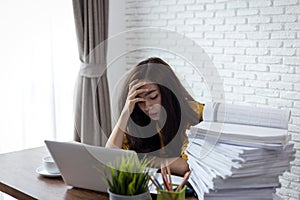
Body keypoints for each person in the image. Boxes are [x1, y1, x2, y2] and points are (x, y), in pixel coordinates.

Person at [106, 57, 204, 176]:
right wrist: (125, 114)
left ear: (168, 92)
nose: (147, 107)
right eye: (140, 101)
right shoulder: (138, 117)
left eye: (153, 97)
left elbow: (186, 165)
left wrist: (143, 159)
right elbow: (111, 156)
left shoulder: (193, 112)